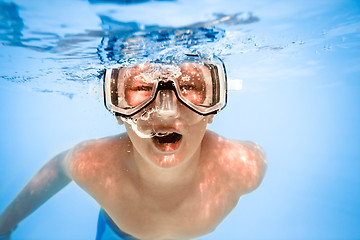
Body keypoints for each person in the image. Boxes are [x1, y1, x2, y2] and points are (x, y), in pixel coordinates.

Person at [0, 54, 267, 240]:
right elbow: (59, 168)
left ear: (213, 106)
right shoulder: (94, 166)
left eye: (188, 86)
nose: (165, 111)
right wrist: (6, 221)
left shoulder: (244, 167)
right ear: (118, 110)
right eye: (141, 87)